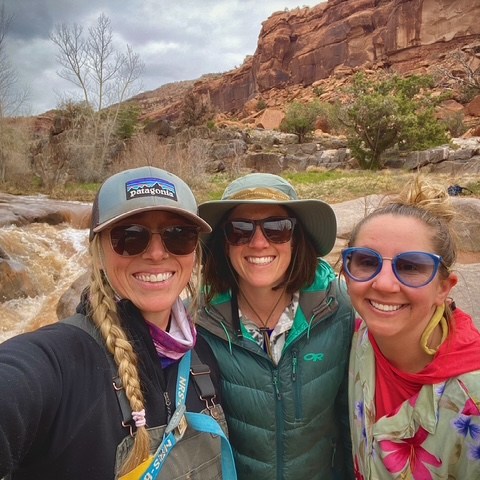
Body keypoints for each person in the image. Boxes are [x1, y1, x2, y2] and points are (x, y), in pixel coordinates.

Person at [0, 166, 236, 480]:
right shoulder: (59, 360)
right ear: (98, 249)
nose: (156, 253)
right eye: (130, 236)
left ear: (195, 249)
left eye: (178, 235)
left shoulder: (203, 356)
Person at [197, 172, 355, 479]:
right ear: (224, 243)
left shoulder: (339, 309)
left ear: (297, 238)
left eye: (277, 228)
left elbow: (351, 421)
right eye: (240, 230)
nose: (258, 243)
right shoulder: (199, 322)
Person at [341, 175, 480, 479]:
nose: (384, 284)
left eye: (411, 266)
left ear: (444, 287)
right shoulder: (361, 336)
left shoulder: (472, 398)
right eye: (366, 261)